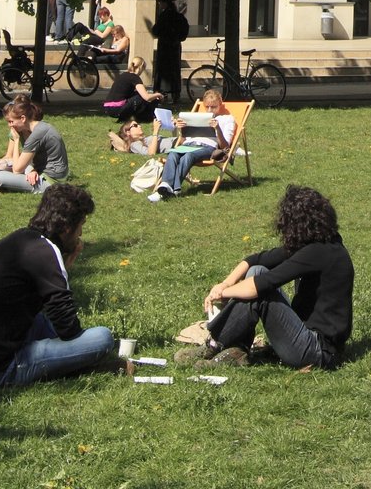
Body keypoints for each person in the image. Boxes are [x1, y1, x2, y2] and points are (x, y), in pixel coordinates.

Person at [0, 184, 118, 388]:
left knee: (39, 319)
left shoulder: (21, 239)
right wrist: (65, 267)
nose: (81, 233)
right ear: (66, 227)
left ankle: (67, 360)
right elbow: (68, 328)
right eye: (81, 225)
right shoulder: (46, 252)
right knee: (102, 338)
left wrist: (63, 268)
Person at [187, 185, 353, 370]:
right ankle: (237, 350)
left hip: (317, 352)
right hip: (309, 339)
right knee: (258, 270)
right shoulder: (322, 242)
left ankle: (214, 344)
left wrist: (223, 293)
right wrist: (224, 283)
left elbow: (258, 287)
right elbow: (255, 260)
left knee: (261, 294)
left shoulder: (318, 252)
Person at [144, 89, 235, 200]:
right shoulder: (196, 117)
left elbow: (225, 147)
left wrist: (217, 129)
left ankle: (169, 189)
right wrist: (182, 130)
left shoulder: (227, 119)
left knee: (189, 156)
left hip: (207, 147)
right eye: (207, 107)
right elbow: (182, 141)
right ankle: (166, 186)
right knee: (173, 153)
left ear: (220, 104)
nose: (210, 110)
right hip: (189, 144)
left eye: (214, 107)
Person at [0, 98, 69, 194]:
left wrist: (16, 141)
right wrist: (30, 170)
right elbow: (19, 159)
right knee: (0, 165)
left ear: (23, 118)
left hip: (51, 182)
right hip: (39, 173)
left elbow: (17, 169)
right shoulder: (33, 129)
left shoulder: (38, 133)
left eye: (11, 122)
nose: (9, 125)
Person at [151, 0, 190, 101]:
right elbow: (184, 29)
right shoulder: (178, 16)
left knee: (163, 71)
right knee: (174, 70)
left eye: (161, 3)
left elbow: (155, 30)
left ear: (165, 3)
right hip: (175, 46)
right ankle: (175, 93)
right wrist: (178, 38)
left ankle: (163, 93)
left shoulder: (164, 16)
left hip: (165, 46)